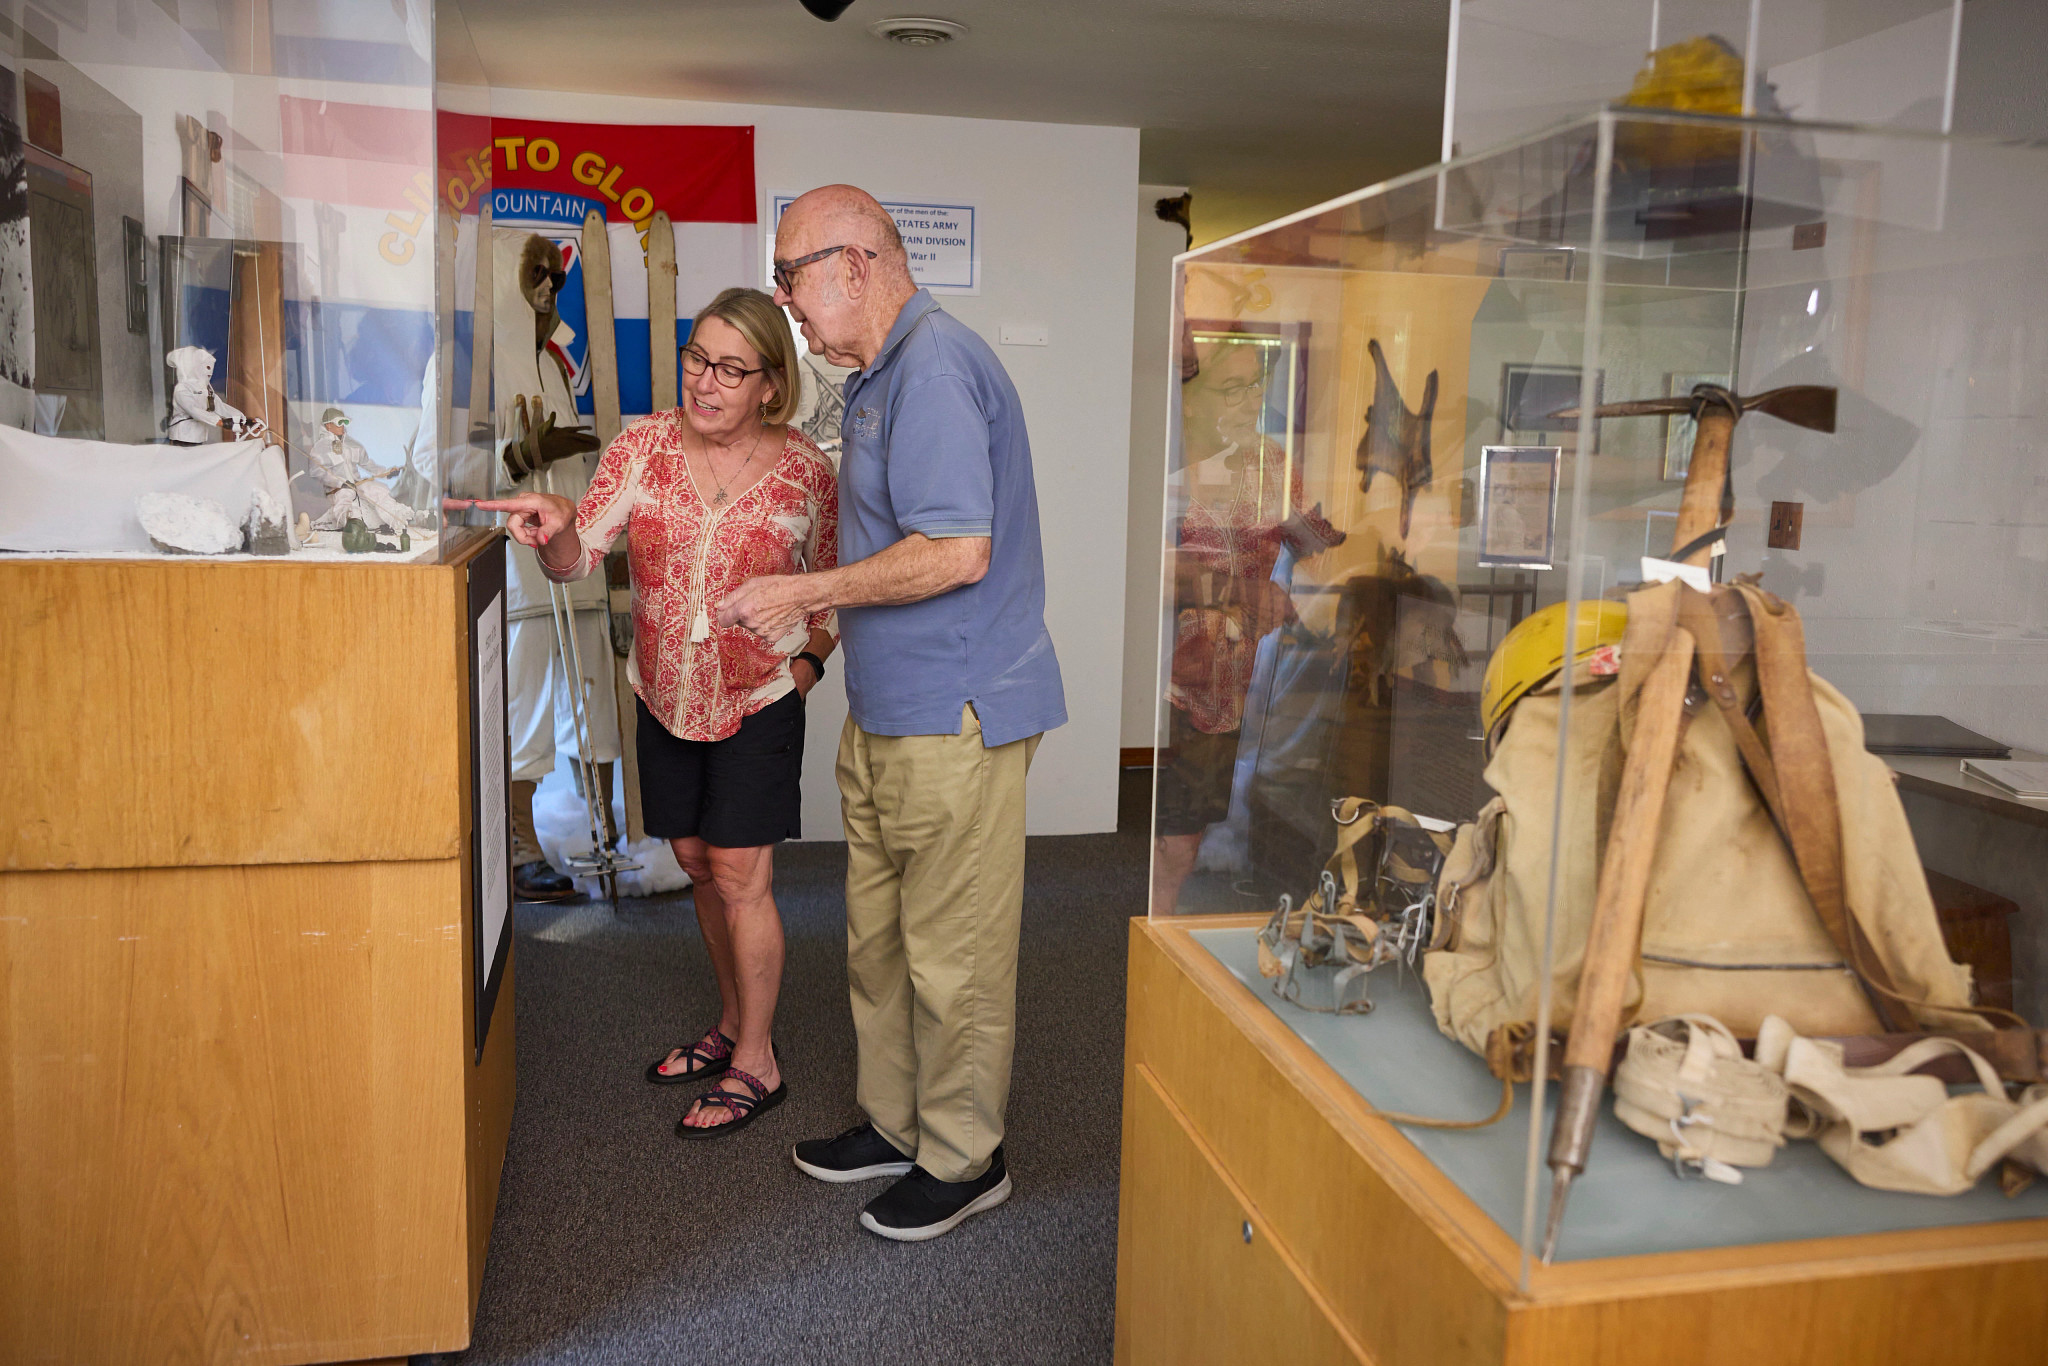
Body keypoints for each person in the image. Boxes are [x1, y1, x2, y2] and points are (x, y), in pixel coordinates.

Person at [719, 185, 1066, 1241]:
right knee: (876, 939)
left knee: (950, 951)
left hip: (953, 715)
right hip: (886, 710)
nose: (784, 304)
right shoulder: (874, 377)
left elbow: (957, 549)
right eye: (779, 281)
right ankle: (896, 1120)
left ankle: (966, 1159)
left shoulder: (937, 367)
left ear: (857, 263)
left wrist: (802, 594)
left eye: (791, 279)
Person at [471, 287, 839, 1140]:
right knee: (698, 861)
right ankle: (731, 1018)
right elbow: (576, 560)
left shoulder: (807, 473)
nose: (705, 382)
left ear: (770, 387)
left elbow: (828, 591)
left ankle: (759, 1059)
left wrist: (806, 672)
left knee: (743, 874)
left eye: (730, 369)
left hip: (758, 702)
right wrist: (556, 529)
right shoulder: (641, 447)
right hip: (664, 698)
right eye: (696, 359)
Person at [1151, 337, 1340, 913]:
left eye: (1255, 384)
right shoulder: (1162, 459)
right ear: (1191, 399)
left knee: (1186, 831)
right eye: (1232, 388)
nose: (1250, 399)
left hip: (1228, 687)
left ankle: (1159, 928)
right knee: (1145, 826)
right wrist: (1240, 590)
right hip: (1155, 672)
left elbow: (1321, 547)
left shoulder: (1272, 466)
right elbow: (1145, 573)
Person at [309, 406, 413, 533]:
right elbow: (318, 472)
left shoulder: (351, 444)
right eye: (339, 423)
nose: (342, 426)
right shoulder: (321, 448)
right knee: (345, 498)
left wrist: (386, 473)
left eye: (345, 422)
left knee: (376, 490)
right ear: (329, 425)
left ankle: (397, 519)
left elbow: (367, 464)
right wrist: (340, 482)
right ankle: (352, 526)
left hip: (357, 483)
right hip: (337, 489)